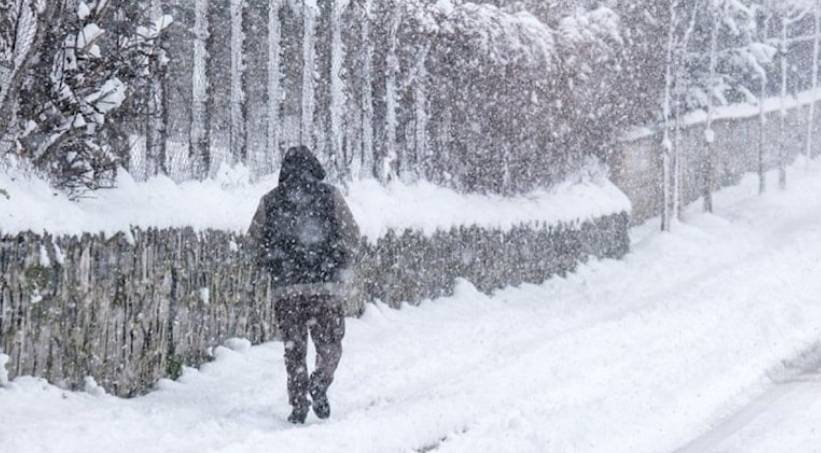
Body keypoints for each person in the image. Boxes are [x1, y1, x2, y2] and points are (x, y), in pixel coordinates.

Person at [248, 146, 360, 424]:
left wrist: (272, 261)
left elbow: (252, 242)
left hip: (287, 290)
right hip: (326, 288)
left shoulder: (270, 201)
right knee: (330, 344)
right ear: (314, 166)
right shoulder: (330, 196)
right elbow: (352, 234)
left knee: (294, 349)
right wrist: (340, 260)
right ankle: (320, 382)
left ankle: (298, 403)